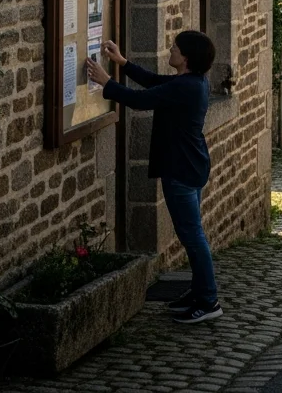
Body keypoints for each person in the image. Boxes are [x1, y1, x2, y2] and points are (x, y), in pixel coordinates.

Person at [85, 32, 221, 322]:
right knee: (192, 234)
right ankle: (199, 292)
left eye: (175, 47)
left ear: (185, 58)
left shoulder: (186, 87)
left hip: (182, 171)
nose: (170, 48)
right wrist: (123, 63)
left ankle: (208, 300)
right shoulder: (190, 82)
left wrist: (106, 82)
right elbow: (155, 83)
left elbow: (140, 100)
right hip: (191, 166)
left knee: (193, 236)